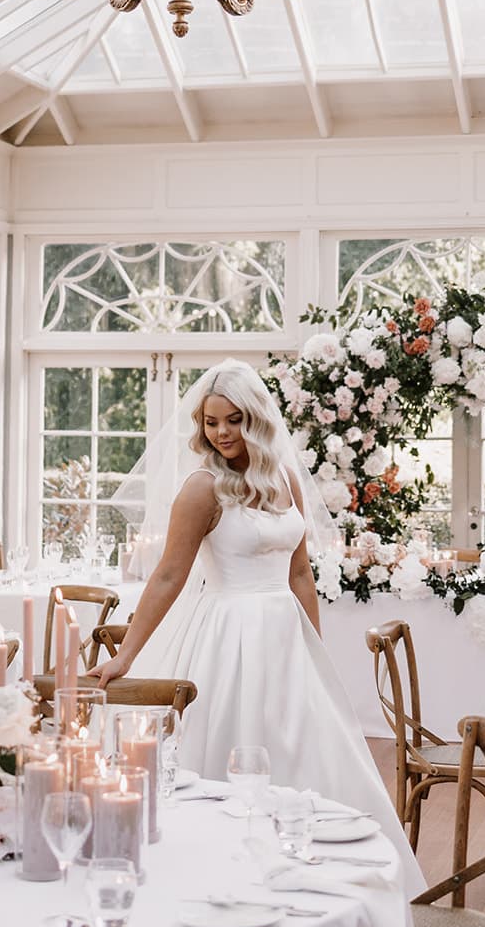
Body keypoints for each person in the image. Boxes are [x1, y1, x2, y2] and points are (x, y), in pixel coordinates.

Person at [96, 359, 421, 888]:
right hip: (226, 636)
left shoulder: (283, 479)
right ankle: (224, 881)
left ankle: (317, 885)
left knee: (307, 755)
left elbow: (300, 574)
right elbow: (168, 576)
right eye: (211, 422)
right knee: (228, 755)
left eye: (234, 420)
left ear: (257, 419)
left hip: (286, 636)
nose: (221, 432)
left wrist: (313, 649)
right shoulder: (202, 488)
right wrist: (126, 656)